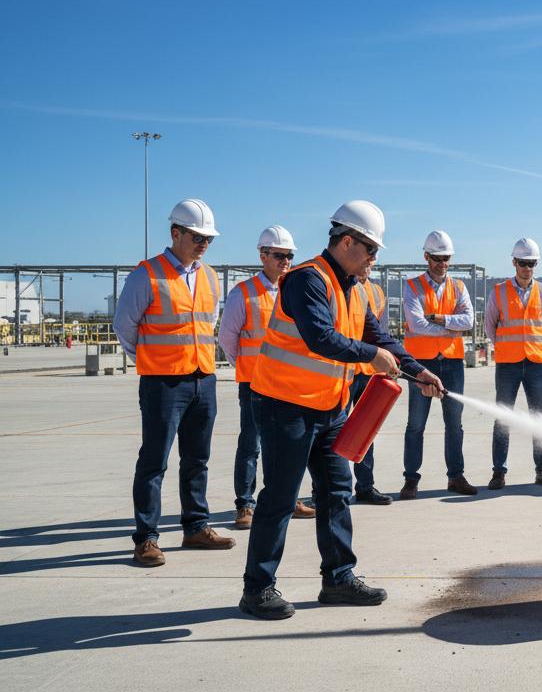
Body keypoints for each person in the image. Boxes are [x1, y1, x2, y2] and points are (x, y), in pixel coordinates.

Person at [239, 200, 444, 620]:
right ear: (346, 241)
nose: (374, 258)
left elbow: (380, 337)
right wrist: (372, 356)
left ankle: (338, 578)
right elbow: (321, 338)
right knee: (279, 498)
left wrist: (418, 370)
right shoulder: (306, 280)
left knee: (337, 492)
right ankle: (257, 588)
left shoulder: (354, 288)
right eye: (370, 249)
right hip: (286, 406)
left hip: (330, 407)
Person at [114, 198, 234, 567]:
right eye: (197, 236)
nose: (203, 244)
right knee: (154, 461)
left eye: (208, 239)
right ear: (175, 233)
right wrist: (152, 361)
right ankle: (146, 538)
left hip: (203, 380)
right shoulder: (147, 274)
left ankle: (195, 526)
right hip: (163, 384)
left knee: (197, 459)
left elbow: (206, 324)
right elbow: (125, 327)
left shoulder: (210, 276)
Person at [220, 224, 317, 527]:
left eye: (289, 256)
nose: (285, 261)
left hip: (289, 383)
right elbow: (227, 338)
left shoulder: (295, 292)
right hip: (255, 384)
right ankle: (245, 505)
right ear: (262, 255)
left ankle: (288, 499)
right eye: (278, 255)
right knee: (251, 444)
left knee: (289, 445)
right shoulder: (244, 294)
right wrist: (249, 368)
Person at [400, 230, 476, 498]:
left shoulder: (459, 287)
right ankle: (411, 480)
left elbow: (469, 321)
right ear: (426, 257)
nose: (442, 263)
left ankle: (456, 477)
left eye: (446, 258)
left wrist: (440, 320)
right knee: (416, 424)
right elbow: (416, 324)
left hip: (452, 363)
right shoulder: (412, 286)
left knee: (454, 424)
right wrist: (451, 328)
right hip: (421, 364)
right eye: (436, 258)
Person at [485, 237, 542, 489]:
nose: (527, 268)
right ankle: (498, 472)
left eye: (532, 263)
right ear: (514, 262)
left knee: (539, 416)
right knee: (503, 417)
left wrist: (533, 345)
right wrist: (509, 346)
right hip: (508, 363)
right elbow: (490, 327)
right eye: (523, 263)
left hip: (536, 362)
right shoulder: (499, 292)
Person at [349, 269, 393, 505]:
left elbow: (381, 333)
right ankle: (322, 490)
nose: (367, 265)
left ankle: (365, 486)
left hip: (368, 371)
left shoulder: (376, 292)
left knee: (365, 433)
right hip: (344, 369)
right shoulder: (341, 287)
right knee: (331, 432)